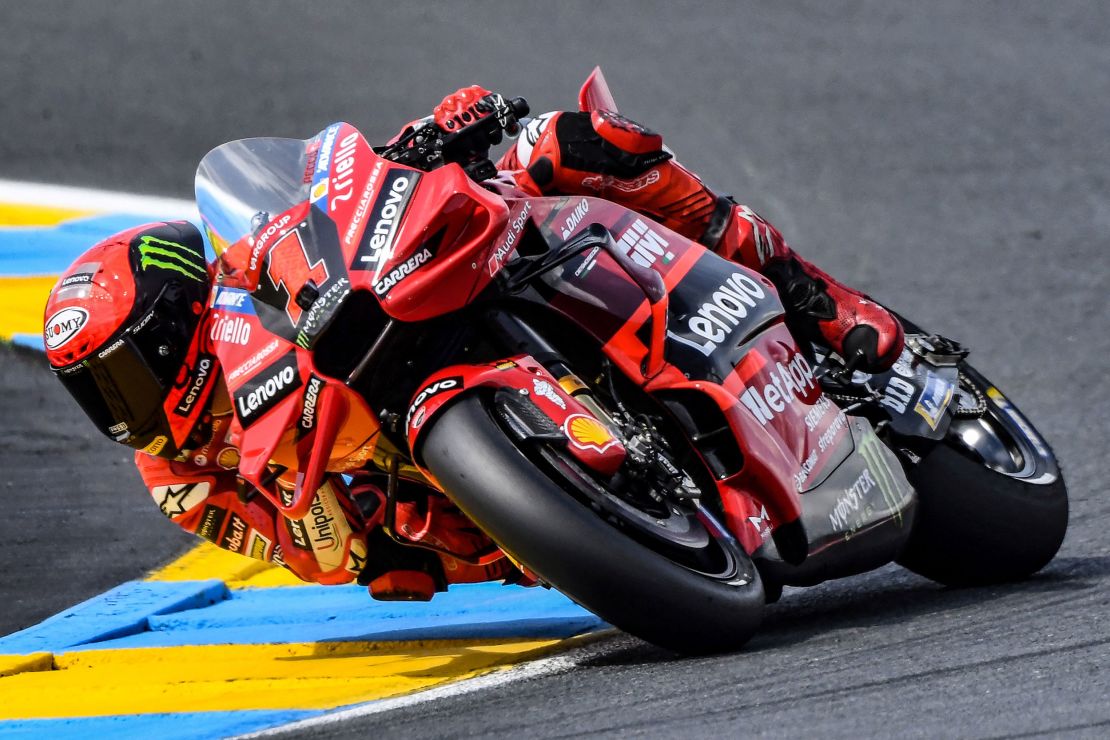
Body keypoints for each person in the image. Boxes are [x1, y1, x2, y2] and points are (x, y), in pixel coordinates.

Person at [42, 85, 903, 600]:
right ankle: (616, 503)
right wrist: (366, 522)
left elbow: (334, 199)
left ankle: (814, 299)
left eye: (129, 372)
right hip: (440, 495)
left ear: (189, 317)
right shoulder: (181, 480)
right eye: (99, 395)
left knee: (568, 145)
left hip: (421, 298)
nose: (127, 407)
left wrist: (427, 139)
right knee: (407, 550)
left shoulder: (252, 276)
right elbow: (324, 556)